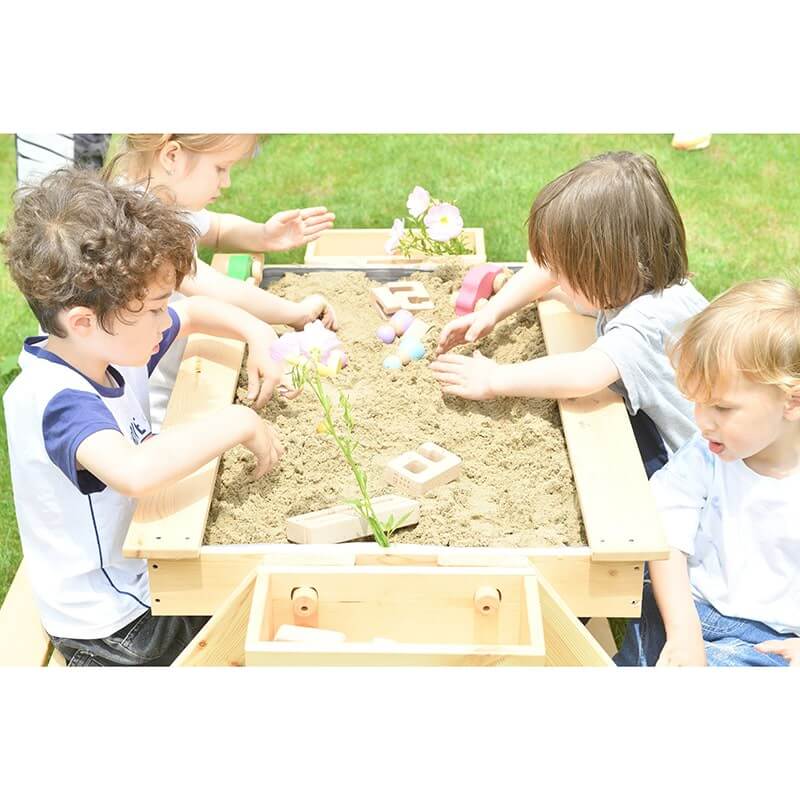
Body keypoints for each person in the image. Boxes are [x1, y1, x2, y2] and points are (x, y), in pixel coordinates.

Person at [2, 169, 285, 666]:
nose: (165, 318)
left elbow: (192, 314)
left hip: (136, 575)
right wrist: (236, 421)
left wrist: (257, 330)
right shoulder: (59, 400)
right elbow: (134, 473)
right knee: (268, 623)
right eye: (155, 308)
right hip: (115, 625)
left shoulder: (105, 348)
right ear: (84, 321)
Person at [432, 151, 708, 477]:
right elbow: (544, 270)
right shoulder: (649, 286)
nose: (554, 276)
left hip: (692, 466)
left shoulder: (642, 328)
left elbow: (582, 374)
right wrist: (493, 311)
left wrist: (494, 379)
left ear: (603, 269)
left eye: (565, 271)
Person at [615, 279, 800, 667]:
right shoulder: (705, 457)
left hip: (776, 642)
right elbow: (666, 536)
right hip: (691, 611)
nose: (702, 422)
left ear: (792, 401)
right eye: (696, 403)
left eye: (722, 408)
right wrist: (683, 632)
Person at [105, 134, 338, 430]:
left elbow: (215, 228)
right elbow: (210, 286)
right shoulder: (138, 227)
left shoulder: (154, 194)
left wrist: (264, 235)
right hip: (151, 400)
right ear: (172, 157)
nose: (226, 182)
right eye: (220, 168)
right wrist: (295, 313)